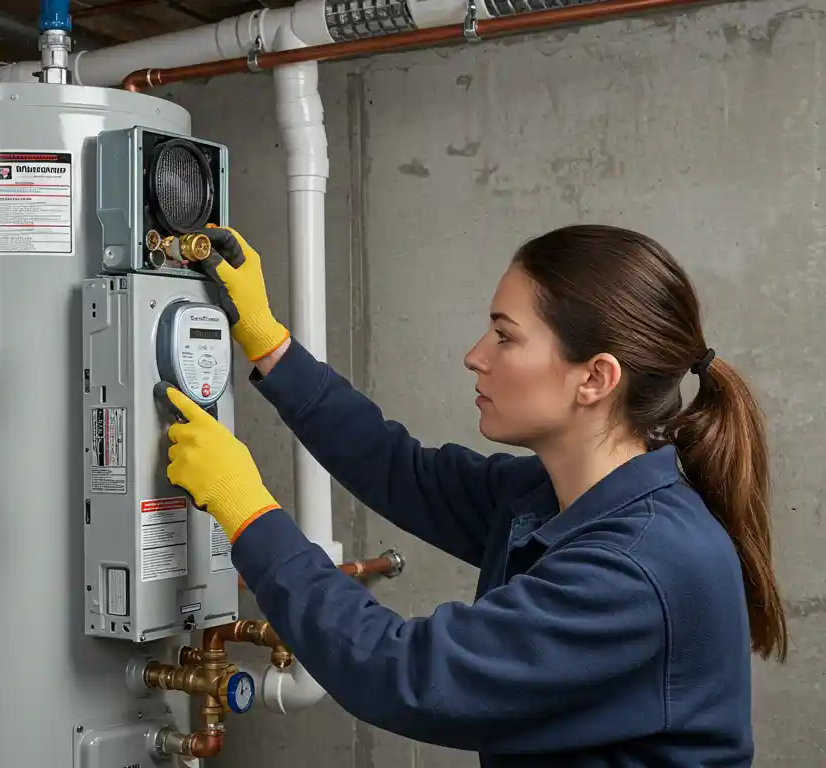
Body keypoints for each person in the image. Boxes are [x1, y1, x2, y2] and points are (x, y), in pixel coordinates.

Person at [161, 224, 787, 766]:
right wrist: (271, 345)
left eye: (505, 337)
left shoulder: (636, 567)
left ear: (595, 378)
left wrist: (245, 510)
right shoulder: (556, 497)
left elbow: (404, 674)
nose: (475, 356)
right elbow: (403, 471)